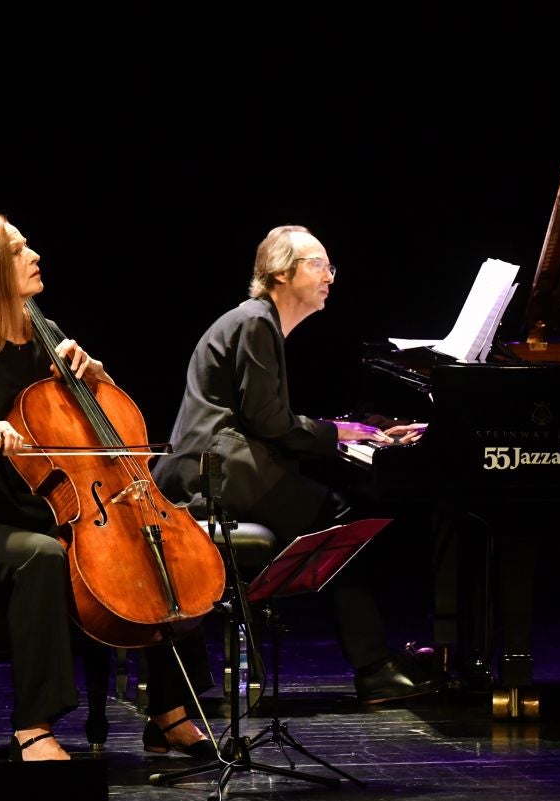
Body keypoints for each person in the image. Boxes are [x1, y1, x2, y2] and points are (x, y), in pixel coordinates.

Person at [0, 214, 219, 762]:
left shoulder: (48, 334)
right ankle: (33, 726)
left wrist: (96, 372)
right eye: (19, 250)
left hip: (41, 509)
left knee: (153, 547)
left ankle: (169, 715)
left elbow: (111, 423)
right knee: (39, 557)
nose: (34, 254)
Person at [152, 224, 442, 704]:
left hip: (226, 464)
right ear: (281, 273)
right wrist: (340, 433)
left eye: (330, 266)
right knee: (343, 517)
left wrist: (348, 429)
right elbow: (270, 421)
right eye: (318, 265)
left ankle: (319, 628)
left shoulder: (259, 322)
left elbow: (267, 418)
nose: (329, 276)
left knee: (331, 510)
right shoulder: (255, 323)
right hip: (218, 472)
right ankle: (372, 669)